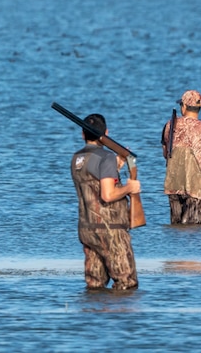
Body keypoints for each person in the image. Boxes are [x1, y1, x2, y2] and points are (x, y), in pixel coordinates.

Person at [70, 113, 141, 290]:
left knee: (94, 286)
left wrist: (115, 167)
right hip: (110, 231)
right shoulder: (106, 157)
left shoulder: (77, 159)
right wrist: (130, 188)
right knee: (126, 284)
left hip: (87, 229)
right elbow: (107, 195)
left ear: (83, 134)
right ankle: (118, 318)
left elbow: (92, 182)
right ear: (106, 133)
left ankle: (93, 317)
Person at [161, 90, 201, 225]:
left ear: (184, 106)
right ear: (199, 108)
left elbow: (165, 154)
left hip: (174, 185)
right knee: (194, 229)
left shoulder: (169, 126)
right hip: (196, 187)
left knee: (176, 227)